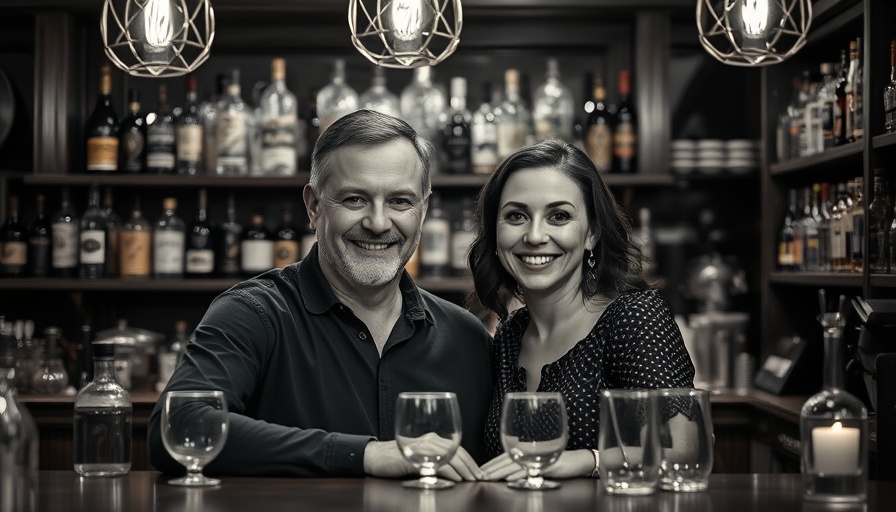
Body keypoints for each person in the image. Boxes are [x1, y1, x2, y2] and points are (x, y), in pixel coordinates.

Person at [148, 109, 493, 479]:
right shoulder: (252, 312)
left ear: (422, 211)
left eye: (400, 202)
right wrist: (364, 455)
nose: (378, 223)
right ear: (313, 207)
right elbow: (179, 426)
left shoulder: (467, 337)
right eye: (354, 199)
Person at [468, 139, 695, 480]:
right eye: (516, 216)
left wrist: (584, 460)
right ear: (495, 231)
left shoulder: (634, 317)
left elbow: (681, 447)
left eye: (558, 216)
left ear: (592, 233)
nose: (534, 235)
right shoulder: (509, 335)